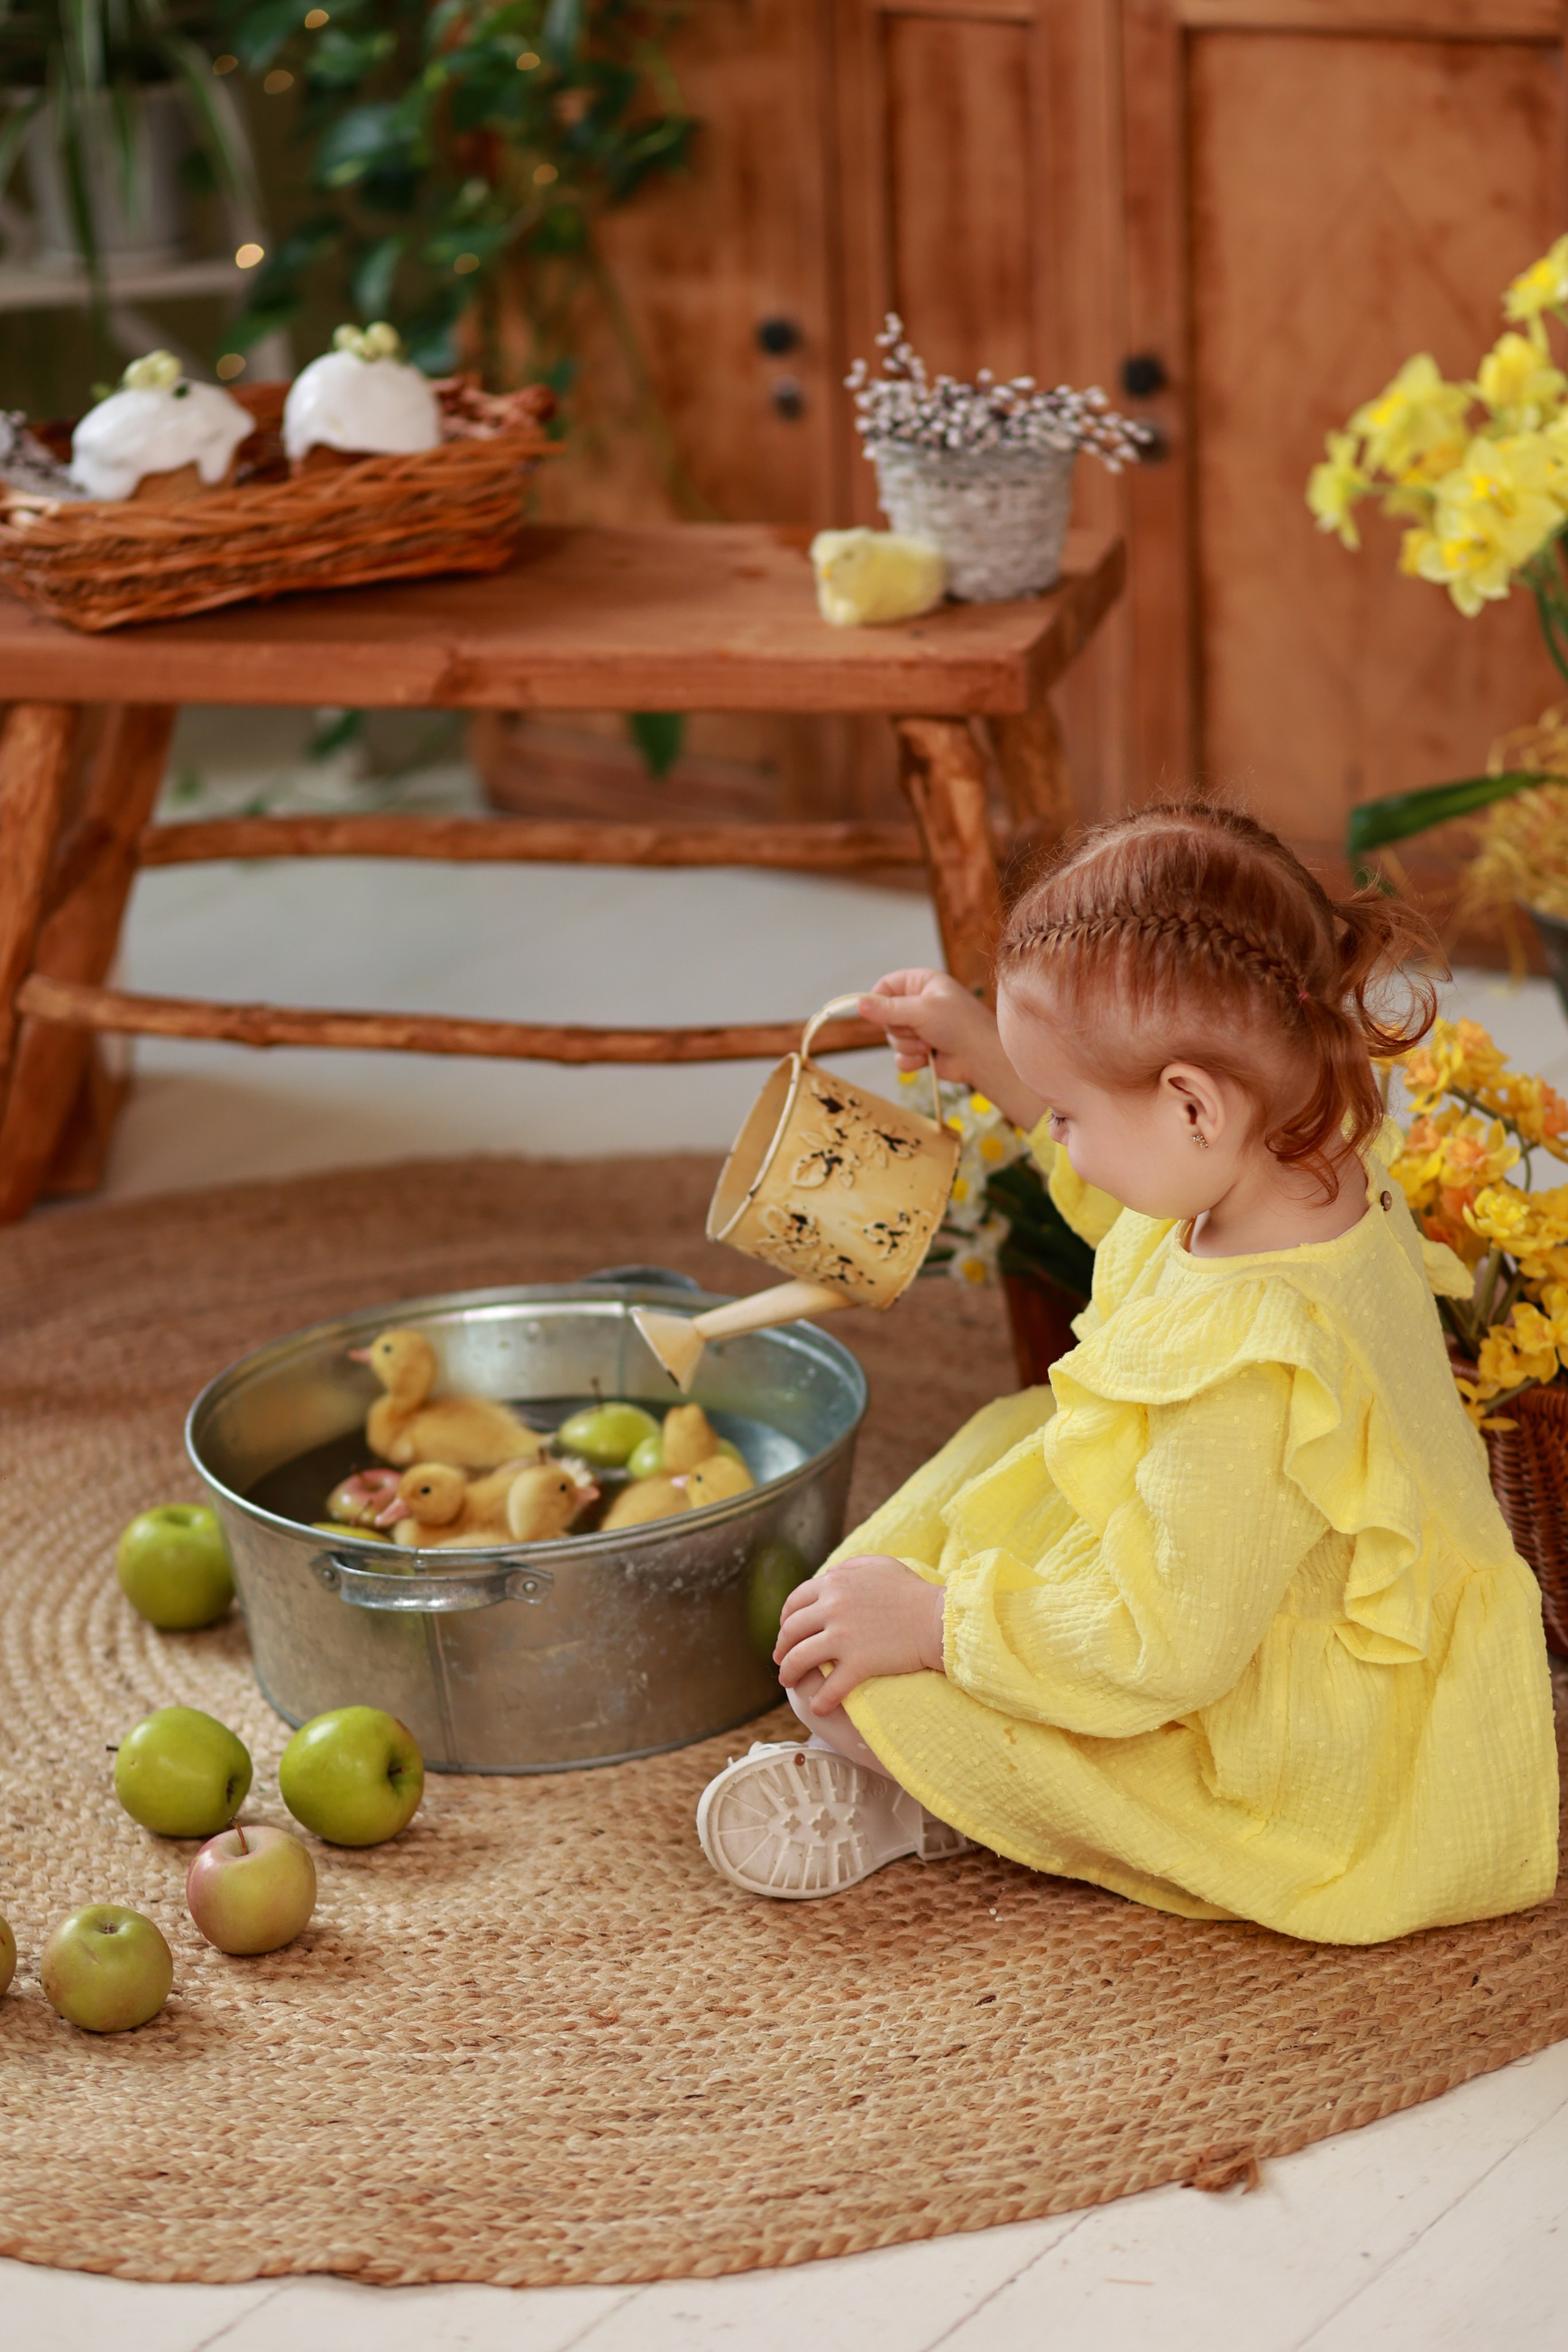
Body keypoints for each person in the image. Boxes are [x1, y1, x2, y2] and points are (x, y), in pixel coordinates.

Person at [695, 800, 1559, 1943]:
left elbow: (1166, 1652)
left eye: (1063, 1114)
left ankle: (938, 1796)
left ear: (1193, 1102)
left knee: (855, 1677)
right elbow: (1134, 1201)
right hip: (1215, 1562)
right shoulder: (1299, 1145)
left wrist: (942, 1629)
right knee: (983, 1468)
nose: (1056, 1133)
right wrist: (995, 1052)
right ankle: (940, 1744)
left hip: (1254, 1706)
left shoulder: (1247, 1371)